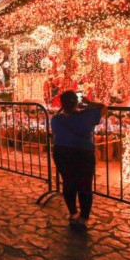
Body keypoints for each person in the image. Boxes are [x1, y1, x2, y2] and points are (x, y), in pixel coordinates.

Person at [51, 90, 107, 231]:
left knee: (68, 182)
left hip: (62, 152)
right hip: (83, 152)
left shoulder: (56, 119)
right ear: (77, 102)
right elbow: (104, 107)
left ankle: (73, 212)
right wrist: (89, 103)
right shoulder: (87, 116)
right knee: (84, 185)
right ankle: (83, 217)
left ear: (62, 104)